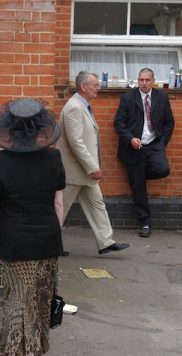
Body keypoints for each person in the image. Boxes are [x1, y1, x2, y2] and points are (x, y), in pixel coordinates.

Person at [0, 98, 65, 356]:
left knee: (19, 300)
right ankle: (27, 353)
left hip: (14, 242)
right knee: (39, 300)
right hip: (47, 241)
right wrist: (55, 235)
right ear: (39, 129)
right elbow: (58, 204)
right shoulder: (54, 159)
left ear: (8, 130)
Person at [56, 71, 129, 255]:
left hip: (84, 172)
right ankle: (48, 244)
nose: (99, 88)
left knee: (97, 205)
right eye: (95, 85)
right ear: (83, 87)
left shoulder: (83, 105)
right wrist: (92, 166)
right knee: (59, 209)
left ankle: (105, 242)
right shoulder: (74, 107)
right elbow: (76, 142)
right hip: (74, 171)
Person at [113, 68, 174, 238]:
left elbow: (170, 122)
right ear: (137, 81)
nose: (144, 83)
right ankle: (144, 223)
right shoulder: (128, 98)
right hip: (134, 148)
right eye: (141, 80)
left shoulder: (162, 97)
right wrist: (130, 138)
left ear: (153, 80)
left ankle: (137, 177)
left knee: (163, 169)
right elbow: (119, 123)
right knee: (139, 188)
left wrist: (162, 143)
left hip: (154, 145)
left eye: (147, 80)